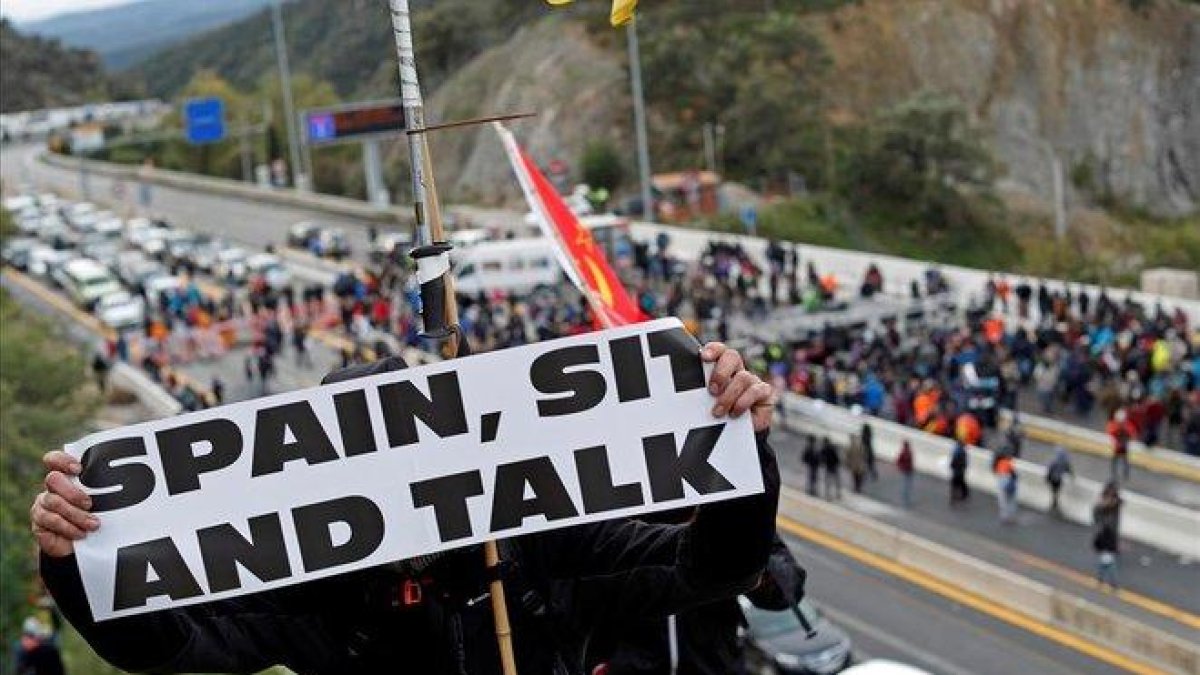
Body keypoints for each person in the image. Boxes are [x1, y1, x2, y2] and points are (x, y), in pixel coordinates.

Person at [32, 344, 780, 675]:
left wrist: (739, 450)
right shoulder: (311, 589)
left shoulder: (539, 546)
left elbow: (714, 566)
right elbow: (163, 644)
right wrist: (75, 560)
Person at [1092, 482, 1123, 590]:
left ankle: (1105, 581)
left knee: (1107, 560)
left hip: (1109, 535)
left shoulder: (1114, 505)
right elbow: (1097, 515)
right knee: (1107, 560)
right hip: (1105, 534)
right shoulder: (1103, 507)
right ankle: (1108, 582)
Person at [1106, 409, 1135, 482]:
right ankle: (1122, 474)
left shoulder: (1123, 425)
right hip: (1121, 446)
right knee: (1121, 460)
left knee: (1118, 460)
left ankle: (1119, 474)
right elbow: (1132, 433)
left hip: (1121, 446)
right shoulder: (1125, 425)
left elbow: (1132, 434)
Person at [1045, 446, 1073, 515]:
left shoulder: (1054, 461)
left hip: (1053, 478)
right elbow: (1069, 470)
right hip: (1059, 479)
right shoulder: (1065, 462)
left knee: (1054, 491)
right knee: (1057, 491)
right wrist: (1072, 476)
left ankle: (1054, 502)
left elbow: (1050, 470)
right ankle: (1055, 502)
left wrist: (1047, 478)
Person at [994, 454, 1018, 524]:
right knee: (1011, 501)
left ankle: (1004, 517)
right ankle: (1011, 517)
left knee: (1003, 501)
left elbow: (998, 473)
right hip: (1011, 484)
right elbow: (1014, 475)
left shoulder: (999, 463)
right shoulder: (1009, 463)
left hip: (1003, 483)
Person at [949, 440, 970, 506]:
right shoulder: (962, 451)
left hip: (957, 470)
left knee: (956, 482)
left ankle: (955, 495)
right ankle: (963, 493)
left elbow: (954, 460)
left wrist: (952, 465)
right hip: (960, 470)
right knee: (960, 482)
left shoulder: (957, 451)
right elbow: (965, 462)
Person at [896, 440, 915, 507]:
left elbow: (898, 461)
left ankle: (906, 501)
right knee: (906, 486)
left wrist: (901, 467)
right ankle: (905, 501)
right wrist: (902, 467)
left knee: (907, 486)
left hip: (908, 470)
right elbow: (898, 461)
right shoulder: (906, 452)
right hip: (907, 470)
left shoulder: (907, 452)